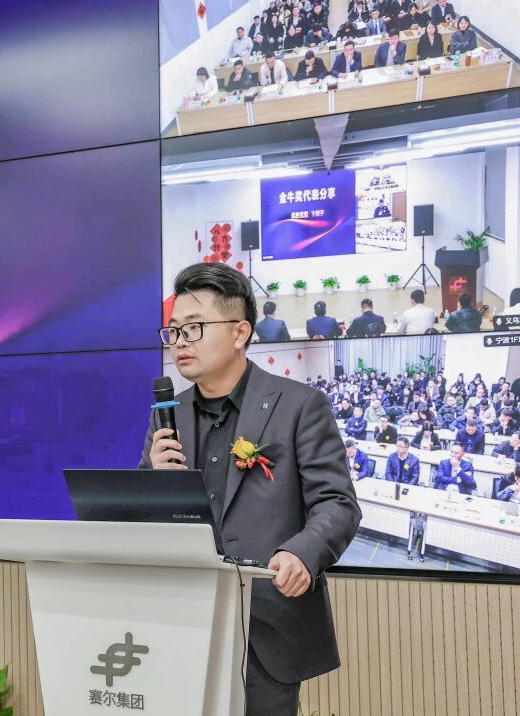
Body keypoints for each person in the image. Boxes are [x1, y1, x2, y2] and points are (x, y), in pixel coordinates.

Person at [141, 262, 360, 714]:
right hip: (183, 620)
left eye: (194, 328)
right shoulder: (167, 416)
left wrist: (302, 553)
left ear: (240, 332)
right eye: (174, 331)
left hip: (268, 621)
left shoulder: (299, 406)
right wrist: (153, 481)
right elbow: (139, 515)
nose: (179, 341)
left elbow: (337, 504)